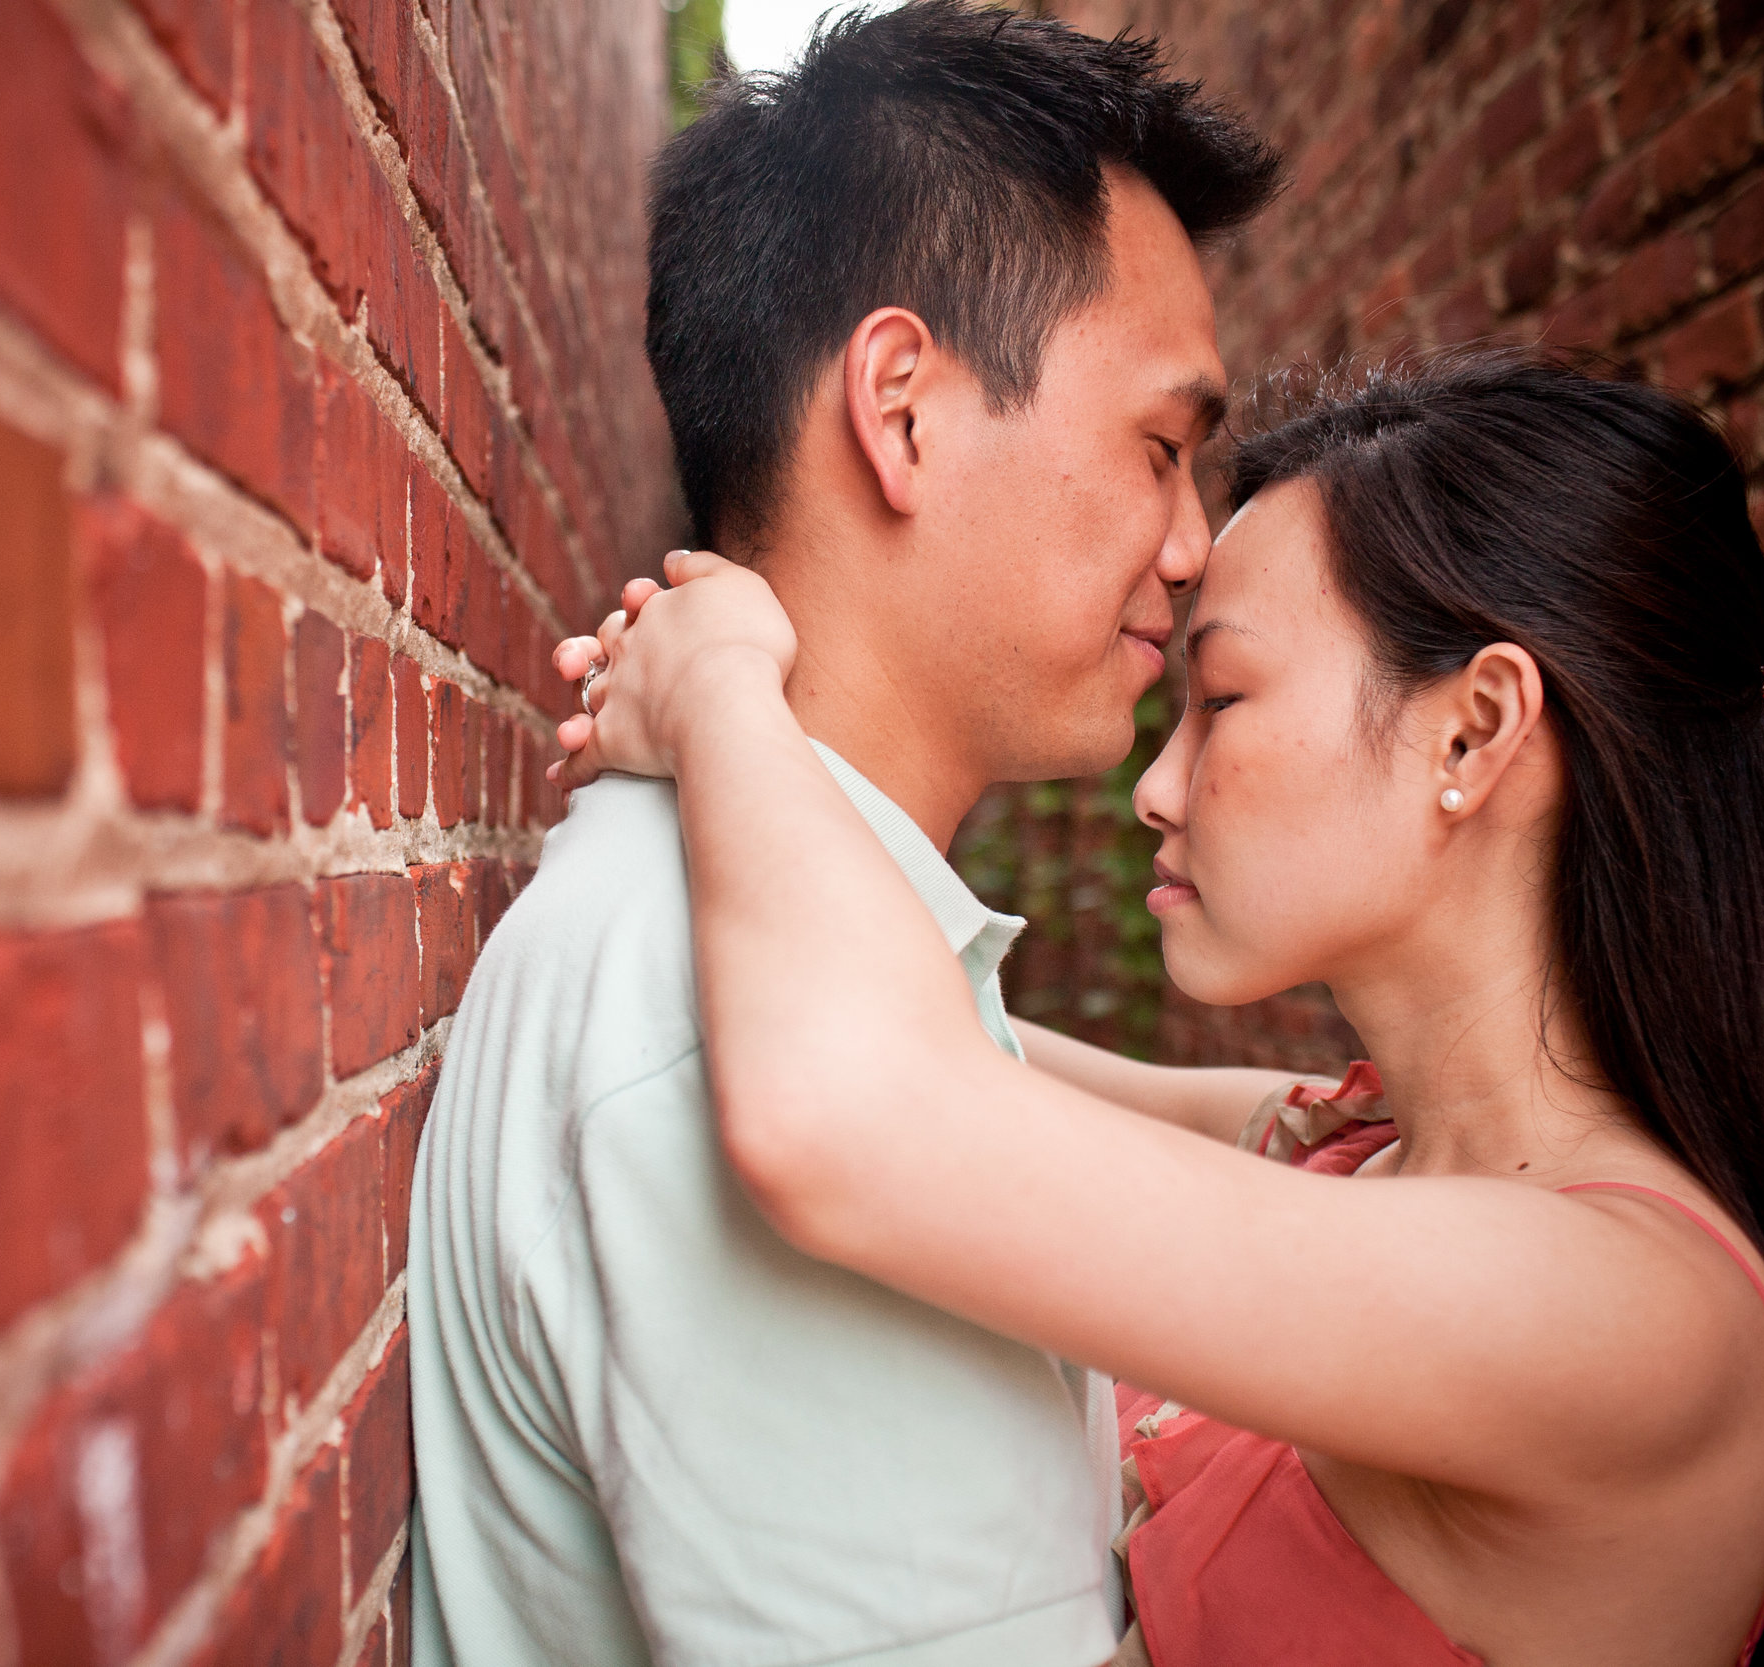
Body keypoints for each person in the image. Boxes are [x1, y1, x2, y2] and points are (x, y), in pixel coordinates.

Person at [550, 348, 1764, 1667]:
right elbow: (963, 1044)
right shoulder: (1357, 1150)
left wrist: (723, 686)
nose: (1158, 787)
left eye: (1227, 699)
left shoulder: (1629, 1319)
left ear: (1473, 732)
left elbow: (852, 1115)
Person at [403, 4, 1281, 1663]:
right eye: (1165, 450)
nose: (1194, 549)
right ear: (904, 410)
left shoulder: (808, 960)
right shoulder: (715, 1034)